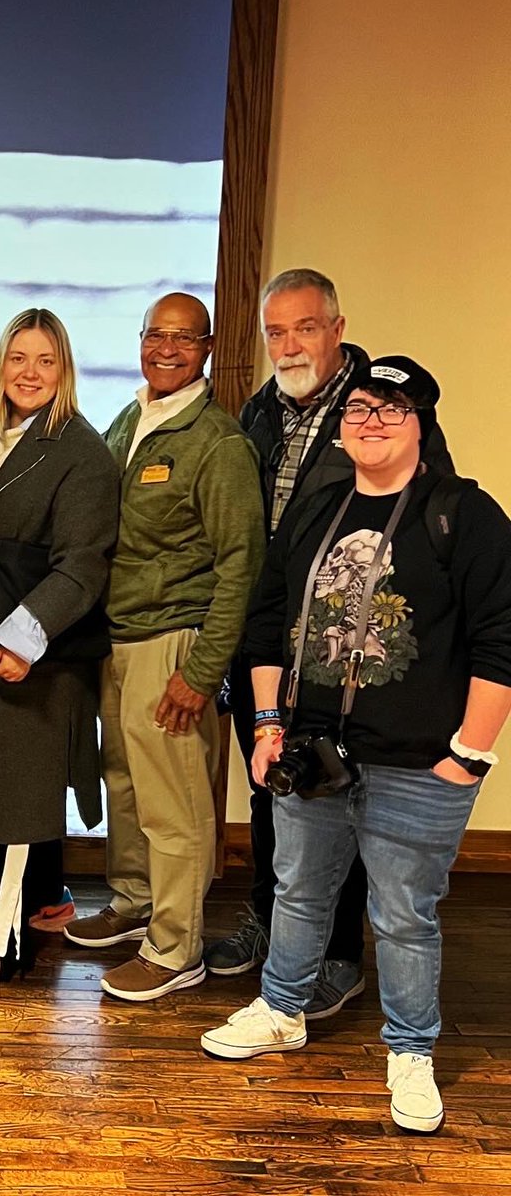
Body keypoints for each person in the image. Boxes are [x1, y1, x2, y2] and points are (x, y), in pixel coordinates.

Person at [201, 357, 511, 1135]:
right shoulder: (317, 512)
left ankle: (410, 1051)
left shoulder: (461, 514)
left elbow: (500, 642)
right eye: (361, 408)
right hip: (312, 749)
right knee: (298, 890)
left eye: (391, 409)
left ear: (421, 424)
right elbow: (268, 622)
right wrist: (269, 725)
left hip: (419, 764)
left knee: (404, 915)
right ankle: (281, 1008)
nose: (371, 421)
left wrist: (470, 754)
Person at [206, 269, 452, 1021]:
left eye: (304, 328)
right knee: (274, 789)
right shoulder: (258, 414)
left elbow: (423, 518)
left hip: (344, 648)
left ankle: (339, 960)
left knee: (339, 796)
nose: (288, 344)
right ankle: (274, 927)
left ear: (338, 328)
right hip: (272, 636)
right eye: (275, 331)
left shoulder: (383, 408)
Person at [65, 293, 264, 1002]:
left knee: (174, 802)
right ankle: (134, 901)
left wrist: (202, 672)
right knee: (126, 784)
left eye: (184, 338)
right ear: (140, 339)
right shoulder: (132, 417)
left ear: (207, 347)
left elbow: (242, 562)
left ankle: (177, 946)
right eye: (156, 335)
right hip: (118, 639)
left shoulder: (218, 443)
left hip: (173, 642)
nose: (167, 349)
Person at [0, 308, 118, 1006]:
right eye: (18, 358)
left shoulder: (80, 452)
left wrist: (24, 639)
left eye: (46, 360)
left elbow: (81, 566)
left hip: (29, 656)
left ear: (64, 368)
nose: (30, 373)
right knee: (9, 781)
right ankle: (46, 896)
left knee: (9, 800)